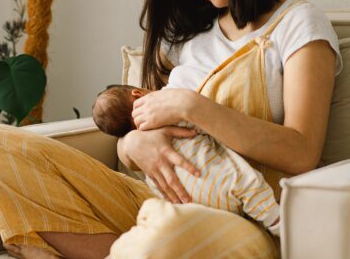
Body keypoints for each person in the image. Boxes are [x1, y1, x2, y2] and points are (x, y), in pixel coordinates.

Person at [0, 0, 342, 258]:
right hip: (152, 201)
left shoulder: (299, 25)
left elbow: (302, 151)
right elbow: (137, 120)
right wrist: (131, 146)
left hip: (236, 218)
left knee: (164, 237)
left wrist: (192, 106)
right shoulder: (191, 38)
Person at [92, 84, 282, 236]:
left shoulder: (145, 155)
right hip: (219, 182)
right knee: (246, 184)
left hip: (190, 204)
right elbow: (202, 122)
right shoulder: (165, 112)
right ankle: (276, 221)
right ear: (138, 94)